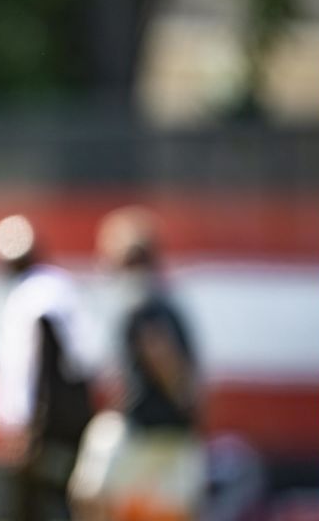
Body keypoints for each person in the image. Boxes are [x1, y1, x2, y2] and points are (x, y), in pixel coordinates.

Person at [69, 207, 204, 521]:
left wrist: (182, 400)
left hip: (147, 429)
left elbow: (161, 354)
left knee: (89, 491)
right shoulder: (166, 299)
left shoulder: (139, 300)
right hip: (171, 429)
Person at [0, 215, 95, 521]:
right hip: (60, 418)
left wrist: (29, 428)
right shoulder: (55, 287)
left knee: (45, 499)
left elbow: (40, 367)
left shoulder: (38, 297)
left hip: (47, 425)